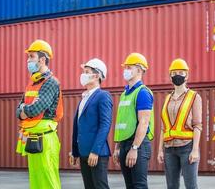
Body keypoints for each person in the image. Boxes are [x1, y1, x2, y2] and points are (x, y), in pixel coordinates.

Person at [15, 39, 63, 189]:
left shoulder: (51, 82)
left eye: (31, 57)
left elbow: (36, 109)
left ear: (42, 60)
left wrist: (25, 110)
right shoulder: (32, 83)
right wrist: (23, 110)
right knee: (35, 180)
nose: (28, 60)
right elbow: (18, 110)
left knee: (48, 180)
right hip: (32, 138)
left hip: (46, 138)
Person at [157, 58, 202, 189]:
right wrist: (160, 150)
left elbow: (197, 125)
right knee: (171, 186)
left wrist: (195, 150)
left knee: (191, 186)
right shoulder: (167, 98)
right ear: (170, 76)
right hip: (169, 149)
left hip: (187, 147)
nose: (177, 75)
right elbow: (163, 128)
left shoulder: (194, 97)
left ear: (186, 76)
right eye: (174, 72)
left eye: (181, 72)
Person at [113, 53, 154, 189]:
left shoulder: (143, 92)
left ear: (140, 70)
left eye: (129, 67)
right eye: (125, 67)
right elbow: (122, 123)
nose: (126, 70)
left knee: (139, 186)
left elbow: (144, 122)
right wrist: (118, 147)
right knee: (130, 186)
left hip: (138, 145)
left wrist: (134, 148)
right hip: (125, 144)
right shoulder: (125, 94)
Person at [70, 58, 113, 189]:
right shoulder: (84, 98)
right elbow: (79, 127)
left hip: (96, 154)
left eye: (86, 71)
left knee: (100, 186)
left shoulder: (103, 96)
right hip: (83, 153)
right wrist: (75, 152)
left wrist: (95, 151)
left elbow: (105, 125)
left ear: (96, 75)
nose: (83, 75)